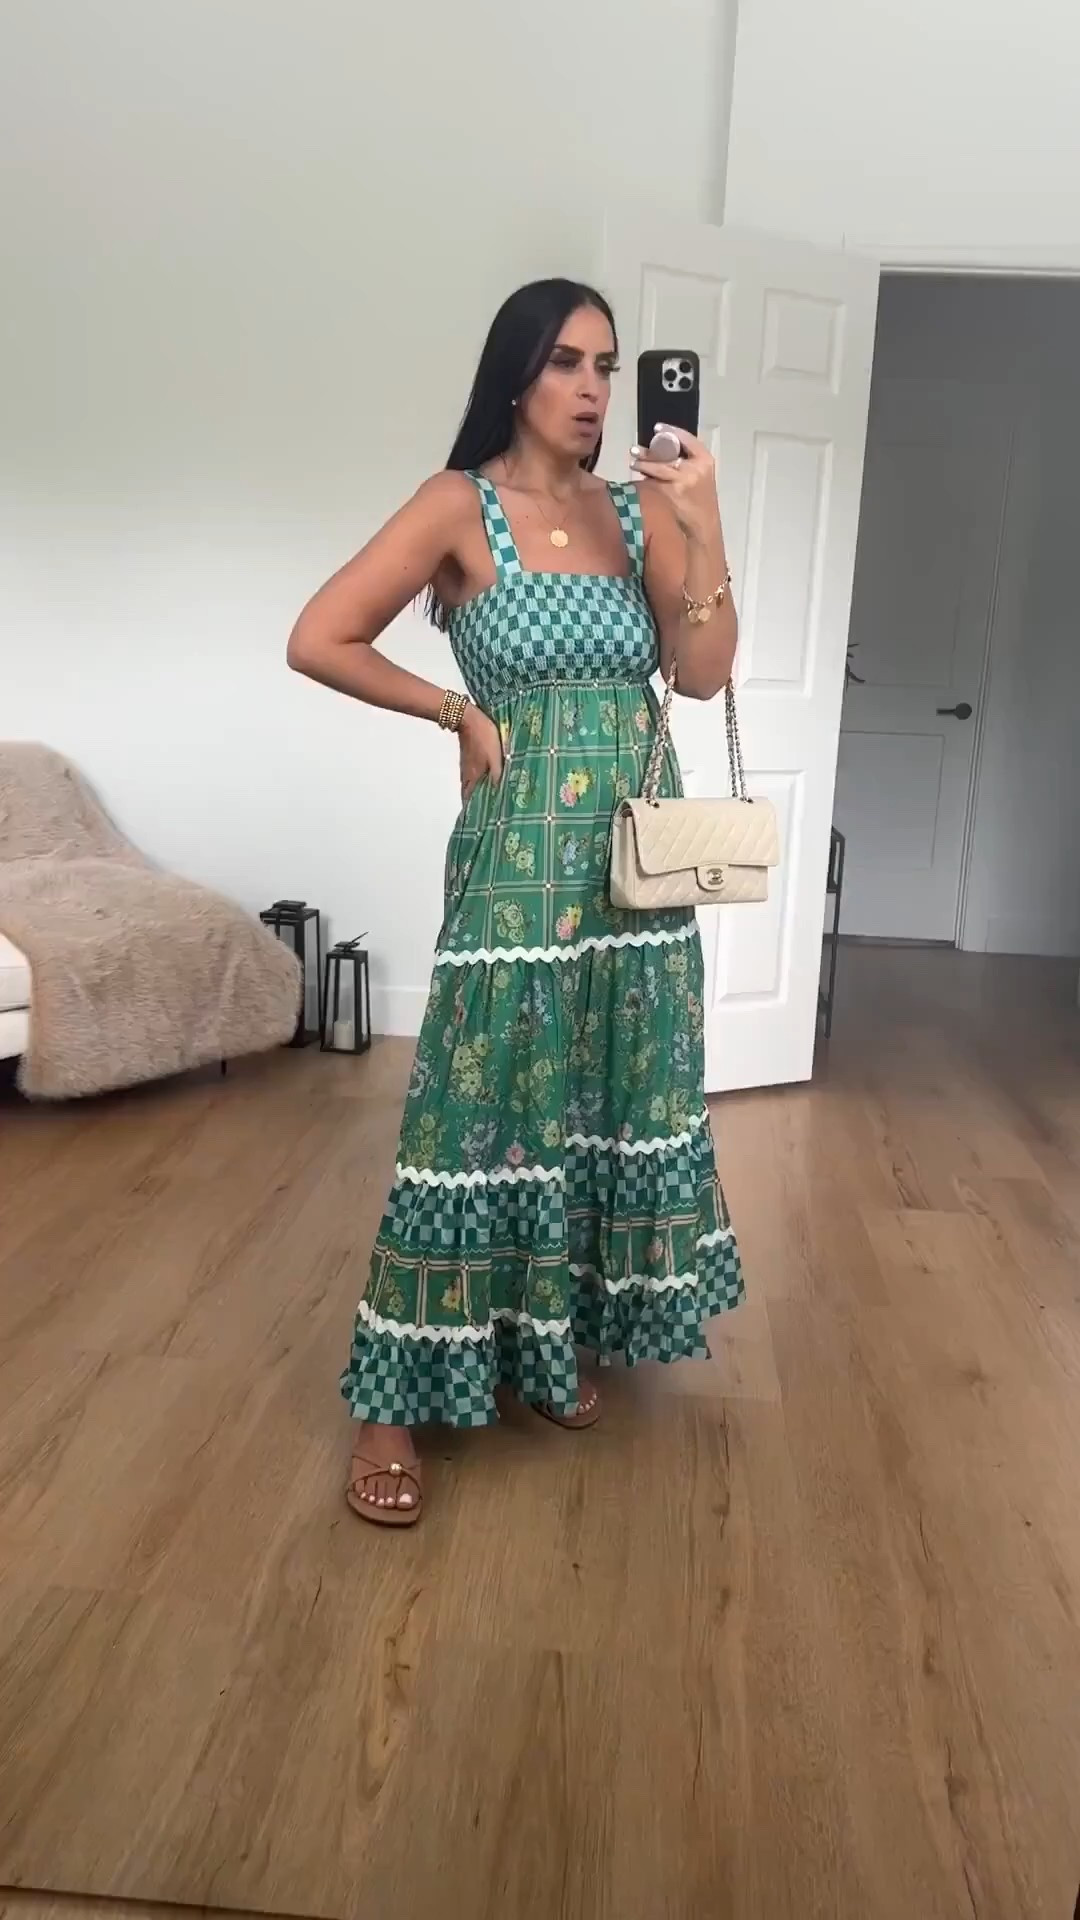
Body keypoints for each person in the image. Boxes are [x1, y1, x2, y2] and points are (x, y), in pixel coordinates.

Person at [288, 278, 744, 1527]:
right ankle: (392, 1405)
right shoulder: (459, 505)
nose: (594, 389)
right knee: (472, 1104)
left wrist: (701, 519)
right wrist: (454, 709)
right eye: (566, 363)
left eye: (607, 364)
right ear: (516, 374)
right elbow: (320, 635)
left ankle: (545, 1343)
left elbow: (704, 675)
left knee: (601, 1093)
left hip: (635, 866)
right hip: (515, 861)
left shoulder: (640, 511)